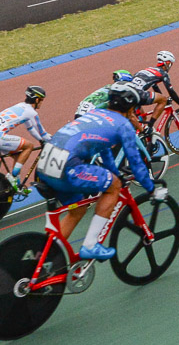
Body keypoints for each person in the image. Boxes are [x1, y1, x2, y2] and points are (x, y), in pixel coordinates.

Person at [37, 83, 163, 261]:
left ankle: (44, 258)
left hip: (45, 164)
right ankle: (90, 245)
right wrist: (152, 190)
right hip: (67, 167)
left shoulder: (95, 114)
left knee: (78, 208)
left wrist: (115, 172)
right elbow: (136, 164)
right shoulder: (123, 125)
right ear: (130, 107)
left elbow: (104, 150)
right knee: (113, 186)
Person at [0, 86, 53, 192]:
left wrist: (41, 140)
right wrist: (51, 140)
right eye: (42, 100)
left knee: (18, 155)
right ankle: (13, 176)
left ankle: (17, 186)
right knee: (29, 146)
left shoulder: (21, 106)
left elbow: (30, 128)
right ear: (37, 99)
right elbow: (42, 131)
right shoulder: (31, 112)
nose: (41, 103)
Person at [133, 51, 179, 133]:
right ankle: (150, 126)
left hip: (129, 93)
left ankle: (142, 136)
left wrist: (161, 96)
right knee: (163, 100)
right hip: (137, 94)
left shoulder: (149, 69)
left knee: (143, 118)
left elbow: (154, 86)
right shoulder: (163, 73)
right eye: (171, 64)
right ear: (167, 63)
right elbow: (170, 91)